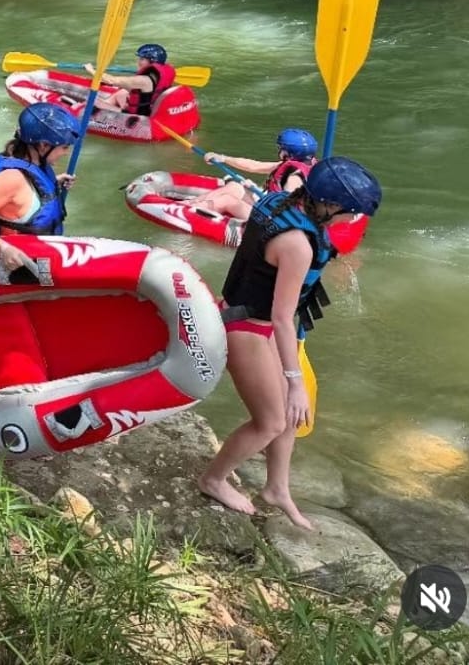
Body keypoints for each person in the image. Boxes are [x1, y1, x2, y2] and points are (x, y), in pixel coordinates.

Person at [196, 157, 382, 529]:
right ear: (328, 206)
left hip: (245, 315)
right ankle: (213, 479)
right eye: (351, 213)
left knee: (289, 420)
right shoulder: (298, 245)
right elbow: (282, 318)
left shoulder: (280, 199)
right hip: (245, 329)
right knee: (271, 421)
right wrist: (295, 381)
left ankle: (277, 488)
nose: (353, 220)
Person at [0, 102, 82, 272]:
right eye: (64, 147)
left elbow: (29, 196)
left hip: (42, 257)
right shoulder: (11, 178)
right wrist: (4, 248)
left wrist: (55, 183)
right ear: (43, 146)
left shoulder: (38, 166)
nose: (66, 153)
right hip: (19, 266)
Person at [191, 127, 319, 220]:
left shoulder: (293, 177)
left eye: (281, 148)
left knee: (227, 200)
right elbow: (255, 166)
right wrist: (223, 158)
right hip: (269, 209)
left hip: (273, 220)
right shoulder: (302, 166)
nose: (279, 150)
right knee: (235, 186)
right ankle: (192, 204)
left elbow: (287, 207)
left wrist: (253, 188)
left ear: (289, 153)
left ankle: (189, 213)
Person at [86, 43, 176, 114]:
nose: (138, 62)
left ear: (151, 61)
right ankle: (108, 104)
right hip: (149, 108)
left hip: (137, 115)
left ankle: (106, 107)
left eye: (142, 59)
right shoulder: (162, 73)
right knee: (122, 92)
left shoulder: (143, 80)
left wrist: (91, 70)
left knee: (92, 102)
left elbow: (110, 80)